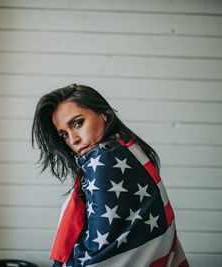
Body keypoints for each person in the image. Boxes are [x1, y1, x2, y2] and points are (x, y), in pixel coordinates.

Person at [32, 84, 189, 267]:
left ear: (103, 113)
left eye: (78, 123)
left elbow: (100, 253)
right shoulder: (126, 147)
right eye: (64, 135)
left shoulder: (106, 160)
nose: (73, 139)